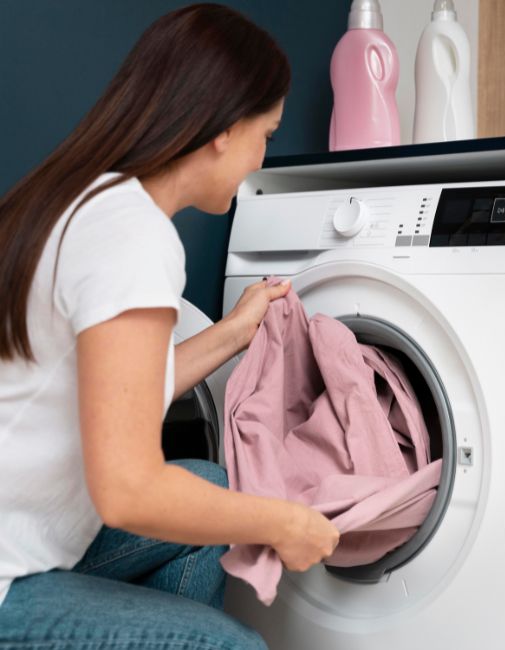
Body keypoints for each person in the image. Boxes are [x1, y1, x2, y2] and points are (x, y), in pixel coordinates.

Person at [0, 4, 340, 648]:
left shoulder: (86, 199)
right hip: (6, 574)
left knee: (210, 491)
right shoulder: (135, 237)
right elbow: (128, 491)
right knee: (234, 645)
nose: (259, 159)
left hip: (16, 523)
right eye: (265, 133)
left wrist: (236, 331)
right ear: (223, 130)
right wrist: (284, 522)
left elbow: (114, 391)